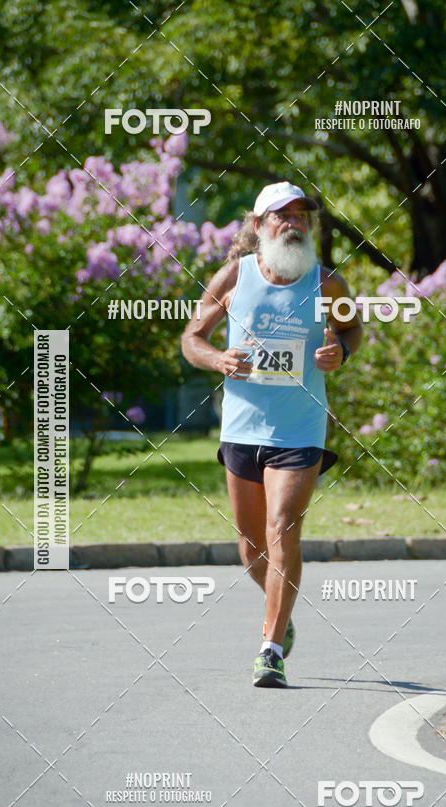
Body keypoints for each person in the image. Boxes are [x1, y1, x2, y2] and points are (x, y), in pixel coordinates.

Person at [181, 181, 362, 687]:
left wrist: (342, 351)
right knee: (250, 548)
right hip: (242, 426)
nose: (294, 222)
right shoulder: (234, 276)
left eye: (302, 215)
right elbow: (192, 337)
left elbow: (351, 328)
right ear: (259, 225)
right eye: (282, 215)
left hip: (300, 427)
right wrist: (218, 358)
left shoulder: (326, 284)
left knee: (282, 528)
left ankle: (271, 648)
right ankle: (281, 613)